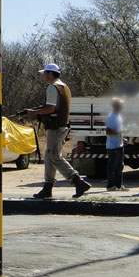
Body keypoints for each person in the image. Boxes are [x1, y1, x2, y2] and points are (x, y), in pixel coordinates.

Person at [21, 63, 91, 199]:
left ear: (51, 74)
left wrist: (33, 112)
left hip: (56, 126)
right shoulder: (65, 87)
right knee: (49, 155)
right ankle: (48, 188)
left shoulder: (53, 88)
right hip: (62, 126)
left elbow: (50, 109)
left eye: (45, 73)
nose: (44, 76)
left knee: (53, 155)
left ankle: (77, 181)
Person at [106, 98, 127, 191]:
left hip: (119, 144)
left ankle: (119, 185)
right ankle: (110, 186)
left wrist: (122, 138)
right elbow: (108, 131)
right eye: (119, 105)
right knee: (112, 166)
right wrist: (119, 132)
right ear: (115, 106)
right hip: (112, 146)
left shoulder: (119, 116)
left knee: (120, 166)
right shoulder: (111, 117)